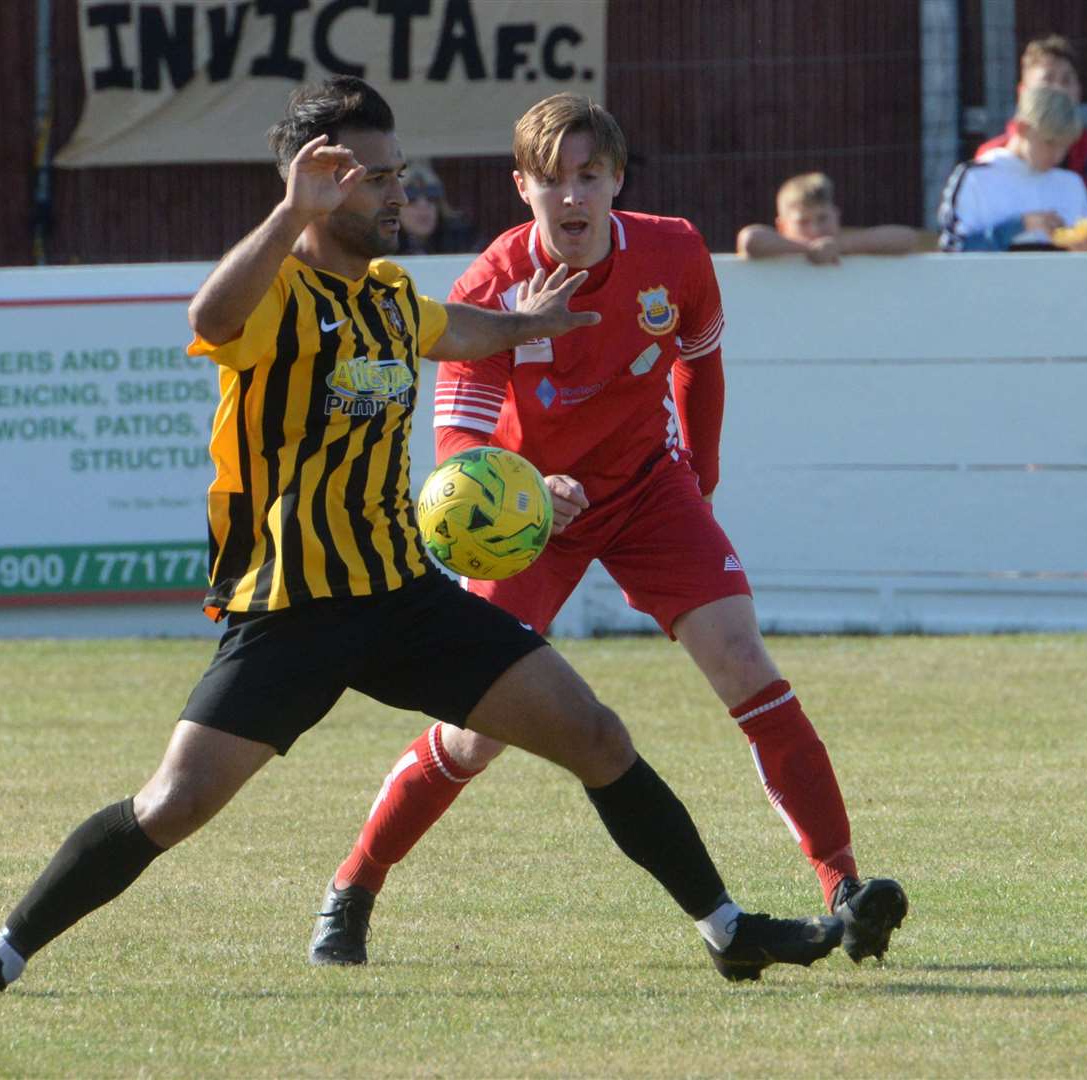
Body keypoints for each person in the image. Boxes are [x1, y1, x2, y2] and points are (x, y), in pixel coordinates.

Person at [0, 77, 846, 997]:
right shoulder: (277, 295)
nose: (401, 191)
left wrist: (532, 322)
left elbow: (459, 333)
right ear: (316, 182)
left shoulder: (391, 295)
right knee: (173, 804)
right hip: (290, 610)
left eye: (400, 172)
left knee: (596, 735)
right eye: (378, 177)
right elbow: (210, 318)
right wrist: (288, 215)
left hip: (402, 597)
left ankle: (727, 930)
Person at [309, 93, 908, 969]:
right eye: (552, 179)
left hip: (648, 492)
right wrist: (520, 488)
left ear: (617, 180)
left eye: (589, 175)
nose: (572, 195)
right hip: (526, 521)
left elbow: (700, 358)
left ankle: (845, 890)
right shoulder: (491, 285)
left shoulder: (672, 252)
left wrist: (697, 476)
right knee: (477, 734)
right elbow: (459, 434)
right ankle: (353, 887)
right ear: (522, 188)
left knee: (746, 662)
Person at [939, 86, 1087, 252]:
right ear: (1022, 128)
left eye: (1065, 146)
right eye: (1050, 143)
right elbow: (953, 250)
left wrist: (1086, 251)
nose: (1058, 155)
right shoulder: (975, 178)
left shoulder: (1071, 184)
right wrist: (1021, 225)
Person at [974, 33, 1087, 213]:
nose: (1059, 90)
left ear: (1079, 91)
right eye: (1047, 80)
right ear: (1023, 92)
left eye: (1066, 81)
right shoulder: (990, 158)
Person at [735, 172, 919, 264]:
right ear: (781, 226)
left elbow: (907, 238)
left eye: (822, 218)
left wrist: (840, 247)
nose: (815, 229)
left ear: (836, 215)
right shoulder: (776, 247)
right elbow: (750, 240)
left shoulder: (847, 243)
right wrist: (809, 250)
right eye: (803, 222)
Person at [397, 159, 478, 255]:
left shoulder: (463, 239)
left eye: (431, 197)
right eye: (411, 198)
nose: (423, 205)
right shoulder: (382, 243)